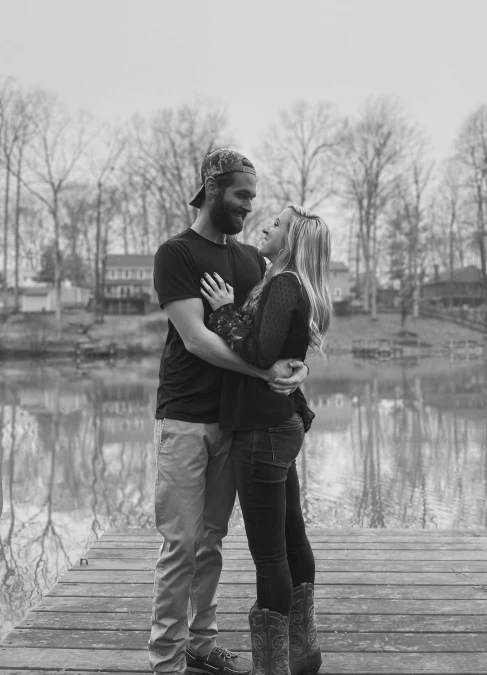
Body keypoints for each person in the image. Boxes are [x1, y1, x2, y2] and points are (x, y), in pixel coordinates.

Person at [149, 149, 309, 675]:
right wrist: (265, 373)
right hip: (186, 418)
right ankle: (167, 659)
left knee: (212, 540)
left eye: (254, 195)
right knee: (181, 542)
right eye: (242, 194)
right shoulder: (177, 255)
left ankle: (201, 643)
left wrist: (294, 367)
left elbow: (268, 338)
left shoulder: (252, 262)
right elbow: (196, 339)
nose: (250, 204)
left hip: (236, 422)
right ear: (212, 189)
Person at [200, 204, 332, 675]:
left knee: (271, 553)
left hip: (261, 431)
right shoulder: (288, 284)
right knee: (293, 538)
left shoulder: (282, 284)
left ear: (291, 241)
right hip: (278, 426)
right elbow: (278, 350)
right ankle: (304, 652)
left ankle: (274, 667)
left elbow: (258, 352)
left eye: (275, 225)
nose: (264, 225)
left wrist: (222, 312)